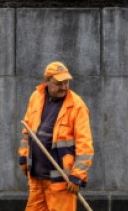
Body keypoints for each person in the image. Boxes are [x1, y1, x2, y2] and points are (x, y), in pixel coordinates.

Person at [19, 61, 93, 211]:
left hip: (61, 182)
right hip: (37, 179)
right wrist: (23, 158)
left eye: (66, 82)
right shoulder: (36, 97)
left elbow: (84, 145)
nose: (64, 87)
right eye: (59, 83)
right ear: (47, 82)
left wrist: (78, 176)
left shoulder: (77, 105)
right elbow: (27, 133)